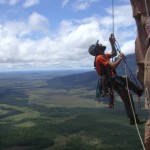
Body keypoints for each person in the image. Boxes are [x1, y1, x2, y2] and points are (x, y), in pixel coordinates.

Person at [88, 35, 145, 125]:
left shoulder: (102, 55)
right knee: (127, 97)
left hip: (113, 79)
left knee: (125, 79)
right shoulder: (99, 57)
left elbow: (114, 53)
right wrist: (120, 58)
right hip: (112, 81)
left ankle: (138, 91)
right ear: (97, 49)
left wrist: (112, 43)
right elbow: (113, 66)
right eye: (99, 44)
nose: (101, 44)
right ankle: (133, 119)